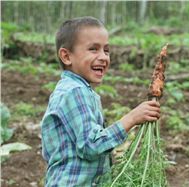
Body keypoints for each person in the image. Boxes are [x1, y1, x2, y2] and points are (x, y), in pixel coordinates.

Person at [41, 16, 160, 186]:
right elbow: (91, 145)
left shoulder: (80, 91)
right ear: (66, 56)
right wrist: (131, 118)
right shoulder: (75, 92)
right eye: (93, 49)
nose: (103, 57)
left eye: (106, 50)